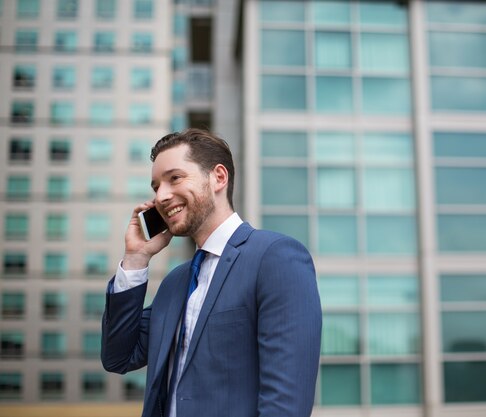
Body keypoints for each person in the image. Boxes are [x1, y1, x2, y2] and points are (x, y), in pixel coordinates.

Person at [101, 128, 322, 417]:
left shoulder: (275, 258)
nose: (162, 196)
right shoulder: (175, 283)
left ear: (218, 177)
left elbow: (285, 405)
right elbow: (119, 357)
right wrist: (136, 258)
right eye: (156, 187)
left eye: (175, 178)